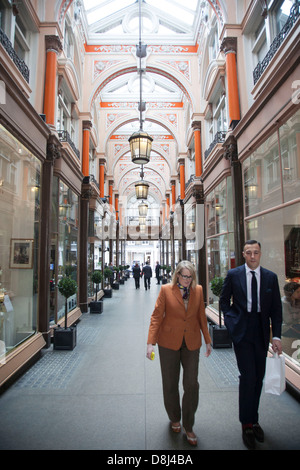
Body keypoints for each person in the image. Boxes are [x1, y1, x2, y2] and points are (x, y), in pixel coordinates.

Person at [220, 240, 282, 450]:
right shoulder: (234, 275)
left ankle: (254, 419)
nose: (253, 256)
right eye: (249, 253)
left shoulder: (270, 278)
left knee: (259, 378)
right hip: (242, 329)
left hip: (262, 331)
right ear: (243, 255)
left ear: (261, 254)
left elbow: (276, 310)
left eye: (256, 252)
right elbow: (223, 301)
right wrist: (231, 323)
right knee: (248, 377)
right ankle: (246, 424)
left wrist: (277, 337)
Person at [146, 260, 211, 446]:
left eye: (190, 277)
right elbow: (156, 317)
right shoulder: (166, 290)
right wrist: (150, 343)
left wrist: (207, 340)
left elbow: (201, 316)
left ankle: (188, 425)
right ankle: (174, 417)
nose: (187, 280)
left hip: (191, 342)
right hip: (168, 343)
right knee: (170, 382)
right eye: (184, 276)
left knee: (192, 384)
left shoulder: (198, 290)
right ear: (177, 275)